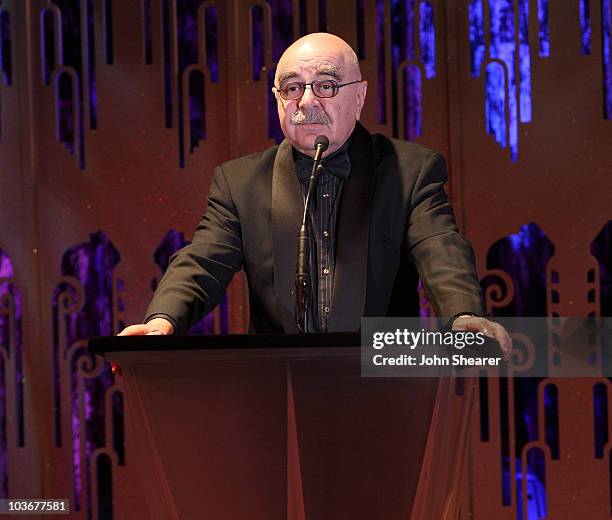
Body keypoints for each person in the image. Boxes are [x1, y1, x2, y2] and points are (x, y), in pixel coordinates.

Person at [118, 32, 511, 357]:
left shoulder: (410, 170)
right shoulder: (239, 183)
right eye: (292, 88)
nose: (306, 102)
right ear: (278, 100)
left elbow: (441, 247)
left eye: (326, 85)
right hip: (277, 393)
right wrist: (162, 320)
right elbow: (203, 261)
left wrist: (463, 316)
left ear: (358, 96)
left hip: (386, 384)